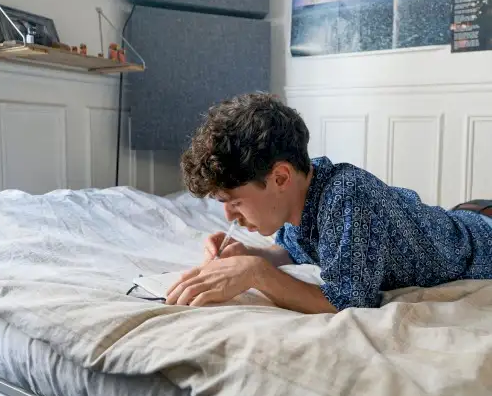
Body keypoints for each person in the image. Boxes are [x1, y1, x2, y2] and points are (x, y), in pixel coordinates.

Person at [166, 93, 492, 313]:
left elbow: (349, 302)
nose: (229, 216)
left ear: (280, 177)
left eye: (235, 202)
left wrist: (256, 273)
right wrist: (252, 254)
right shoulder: (302, 192)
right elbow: (299, 250)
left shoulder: (347, 197)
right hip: (456, 220)